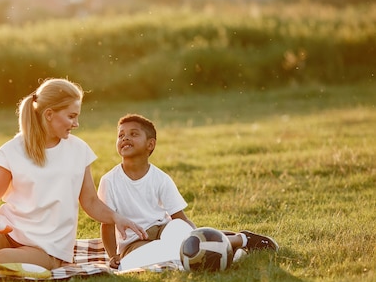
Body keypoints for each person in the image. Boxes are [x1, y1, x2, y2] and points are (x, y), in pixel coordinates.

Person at [0, 78, 147, 270]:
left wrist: (116, 217)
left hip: (48, 247)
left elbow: (90, 201)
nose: (76, 124)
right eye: (71, 116)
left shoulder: (79, 150)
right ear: (49, 114)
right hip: (8, 232)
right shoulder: (12, 150)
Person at [97, 113, 278, 269]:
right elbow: (106, 224)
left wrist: (198, 236)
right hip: (135, 244)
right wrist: (113, 256)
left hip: (163, 229)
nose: (125, 138)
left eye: (133, 134)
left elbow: (179, 218)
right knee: (130, 264)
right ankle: (230, 245)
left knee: (179, 232)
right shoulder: (109, 181)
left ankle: (239, 240)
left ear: (150, 145)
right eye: (120, 135)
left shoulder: (161, 178)